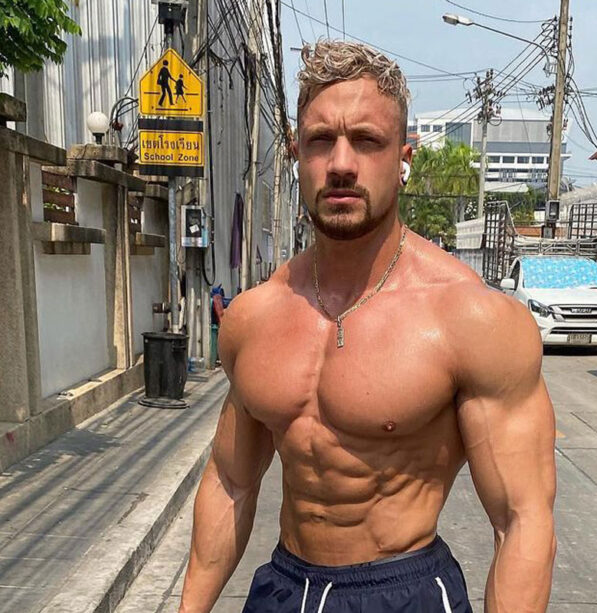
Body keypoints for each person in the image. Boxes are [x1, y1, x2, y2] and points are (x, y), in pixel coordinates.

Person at [178, 40, 556, 613]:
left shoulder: (469, 317)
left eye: (366, 140)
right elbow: (231, 482)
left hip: (404, 591)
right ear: (296, 154)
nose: (341, 164)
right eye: (320, 140)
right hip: (283, 588)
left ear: (403, 159)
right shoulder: (254, 316)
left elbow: (521, 519)